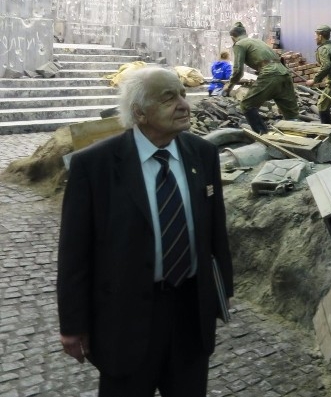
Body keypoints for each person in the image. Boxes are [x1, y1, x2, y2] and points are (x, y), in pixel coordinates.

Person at [57, 66, 234, 397]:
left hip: (190, 314)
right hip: (124, 319)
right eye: (169, 98)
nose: (184, 105)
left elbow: (214, 231)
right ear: (139, 112)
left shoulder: (203, 153)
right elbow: (74, 253)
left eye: (183, 94)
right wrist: (73, 324)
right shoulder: (93, 165)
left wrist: (221, 294)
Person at [222, 21, 300, 132]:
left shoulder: (239, 44)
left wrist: (229, 86)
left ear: (232, 38)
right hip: (284, 73)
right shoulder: (258, 41)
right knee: (292, 114)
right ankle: (301, 138)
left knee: (247, 105)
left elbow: (238, 71)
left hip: (270, 74)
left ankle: (263, 135)